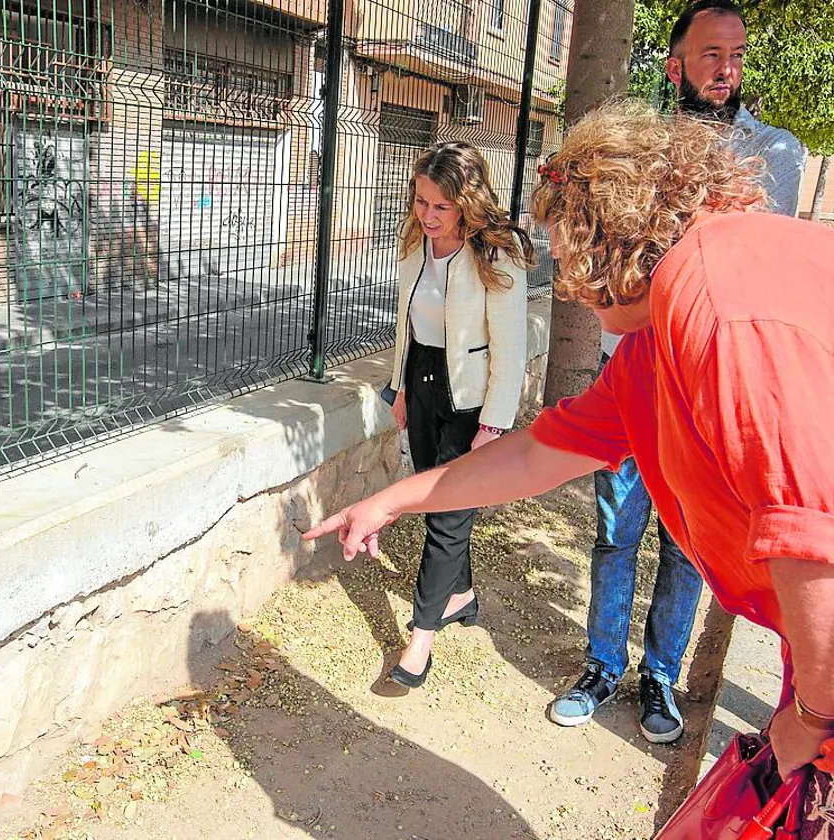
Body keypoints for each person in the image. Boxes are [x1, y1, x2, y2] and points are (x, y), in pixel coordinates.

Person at [303, 100, 834, 793]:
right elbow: (535, 456)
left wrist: (814, 717)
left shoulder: (717, 301)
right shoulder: (667, 326)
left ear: (605, 233)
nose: (571, 288)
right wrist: (389, 500)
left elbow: (812, 537)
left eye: (566, 251)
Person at [549, 0, 808, 745]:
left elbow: (757, 269)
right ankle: (602, 665)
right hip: (634, 372)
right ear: (676, 66)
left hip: (710, 389)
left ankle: (659, 676)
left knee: (689, 546)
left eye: (735, 56)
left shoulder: (777, 154)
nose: (725, 72)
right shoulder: (642, 149)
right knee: (613, 533)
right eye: (709, 57)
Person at [379, 142, 533, 689]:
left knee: (447, 513)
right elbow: (406, 323)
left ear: (467, 202)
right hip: (421, 380)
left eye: (441, 206)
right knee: (437, 499)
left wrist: (494, 424)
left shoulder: (496, 253)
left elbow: (510, 349)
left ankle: (419, 639)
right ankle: (461, 595)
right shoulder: (414, 244)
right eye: (421, 201)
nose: (427, 215)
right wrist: (398, 387)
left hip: (469, 397)